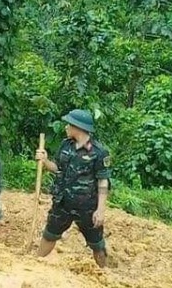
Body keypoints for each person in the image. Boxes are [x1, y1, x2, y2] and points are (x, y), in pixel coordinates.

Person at [35, 109, 110, 268]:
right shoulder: (65, 145)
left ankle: (105, 274)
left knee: (97, 244)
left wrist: (101, 210)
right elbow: (58, 168)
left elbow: (103, 181)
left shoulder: (98, 152)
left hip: (87, 208)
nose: (66, 127)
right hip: (63, 203)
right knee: (49, 235)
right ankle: (35, 265)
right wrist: (45, 160)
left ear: (78, 127)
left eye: (69, 124)